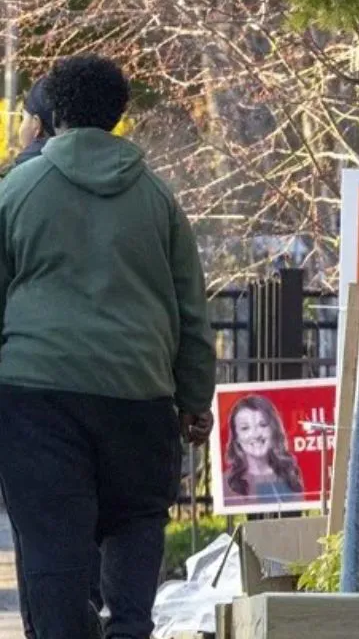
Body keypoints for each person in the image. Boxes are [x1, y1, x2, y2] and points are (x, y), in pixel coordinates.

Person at [0, 54, 216, 639]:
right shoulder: (158, 199)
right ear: (119, 115)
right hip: (139, 391)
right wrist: (196, 398)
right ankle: (128, 628)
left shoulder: (18, 189)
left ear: (53, 113)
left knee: (51, 538)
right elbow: (190, 308)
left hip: (38, 396)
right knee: (137, 520)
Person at [0, 73, 107, 639]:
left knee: (40, 526)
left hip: (35, 381)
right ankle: (87, 611)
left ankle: (53, 626)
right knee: (93, 518)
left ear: (38, 124)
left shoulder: (19, 183)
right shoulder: (137, 183)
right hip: (122, 379)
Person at [224, 394, 304, 505]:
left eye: (263, 425)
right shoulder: (227, 483)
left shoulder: (291, 475)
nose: (256, 434)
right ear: (236, 437)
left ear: (273, 429)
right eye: (245, 428)